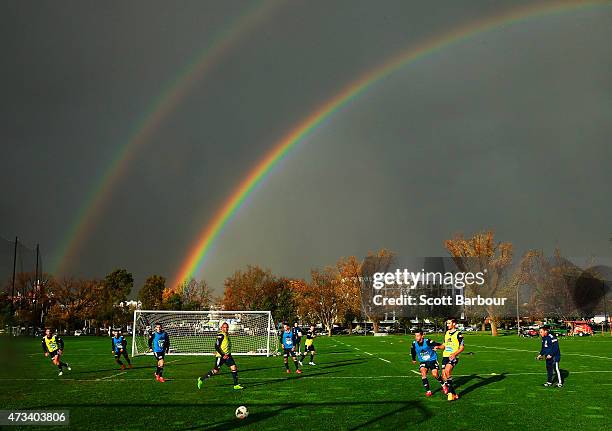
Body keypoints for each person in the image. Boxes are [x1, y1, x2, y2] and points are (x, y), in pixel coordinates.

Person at [197, 322, 243, 390]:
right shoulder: (220, 335)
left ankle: (236, 385)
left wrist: (227, 354)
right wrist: (223, 354)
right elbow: (216, 346)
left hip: (228, 355)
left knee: (234, 367)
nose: (226, 328)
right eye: (224, 327)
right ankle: (201, 379)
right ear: (221, 328)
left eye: (227, 327)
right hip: (221, 356)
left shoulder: (227, 334)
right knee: (216, 371)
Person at [411, 330, 445, 397]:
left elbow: (439, 345)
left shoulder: (428, 341)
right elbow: (413, 351)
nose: (416, 337)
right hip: (423, 362)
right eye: (415, 336)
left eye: (418, 336)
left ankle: (443, 385)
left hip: (432, 360)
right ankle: (428, 391)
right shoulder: (414, 343)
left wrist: (437, 347)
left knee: (435, 374)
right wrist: (413, 359)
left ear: (422, 336)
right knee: (423, 373)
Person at [442, 318, 464, 401]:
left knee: (447, 371)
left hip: (453, 357)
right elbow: (444, 345)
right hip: (445, 356)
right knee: (444, 376)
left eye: (449, 323)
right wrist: (437, 346)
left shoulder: (459, 334)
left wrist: (454, 354)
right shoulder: (447, 333)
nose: (447, 325)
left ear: (454, 324)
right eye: (447, 323)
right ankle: (454, 394)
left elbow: (462, 348)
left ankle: (450, 393)